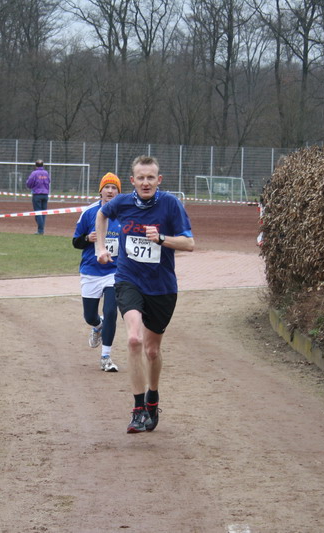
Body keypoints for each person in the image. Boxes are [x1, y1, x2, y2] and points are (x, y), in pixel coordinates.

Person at [95, 155, 194, 434]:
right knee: (134, 339)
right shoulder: (122, 202)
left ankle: (153, 397)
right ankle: (138, 410)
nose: (146, 182)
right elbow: (102, 214)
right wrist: (100, 247)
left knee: (152, 350)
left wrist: (161, 239)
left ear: (158, 180)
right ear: (133, 180)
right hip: (128, 280)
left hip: (162, 287)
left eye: (151, 177)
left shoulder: (170, 204)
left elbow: (189, 243)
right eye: (141, 178)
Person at [72, 172, 122, 372]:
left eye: (114, 188)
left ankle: (106, 357)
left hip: (114, 272)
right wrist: (87, 238)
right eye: (106, 187)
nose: (110, 191)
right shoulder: (89, 213)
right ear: (100, 191)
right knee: (90, 316)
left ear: (118, 192)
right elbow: (75, 242)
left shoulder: (124, 214)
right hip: (91, 271)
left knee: (110, 312)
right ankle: (98, 326)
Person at [26, 159, 50, 235]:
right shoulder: (46, 173)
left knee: (38, 213)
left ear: (36, 166)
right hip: (45, 194)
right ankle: (41, 229)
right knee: (43, 213)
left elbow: (29, 182)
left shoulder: (34, 173)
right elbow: (49, 181)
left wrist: (31, 187)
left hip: (37, 194)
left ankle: (40, 230)